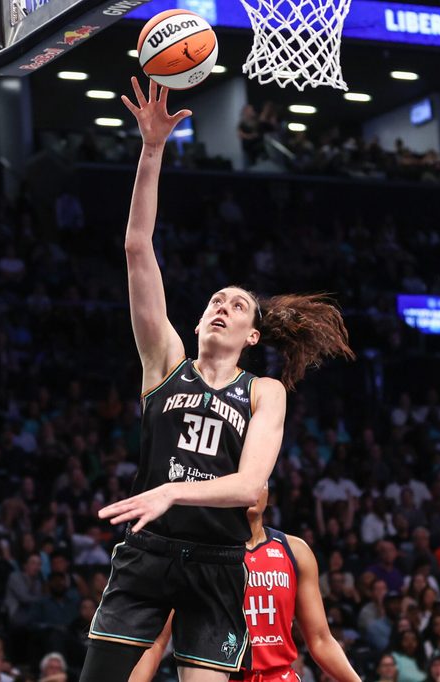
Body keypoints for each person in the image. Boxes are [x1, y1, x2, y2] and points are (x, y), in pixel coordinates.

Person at [80, 76, 353, 682]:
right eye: (215, 299)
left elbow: (249, 482)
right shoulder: (164, 362)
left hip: (217, 560)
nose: (220, 305)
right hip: (148, 555)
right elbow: (136, 247)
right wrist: (152, 150)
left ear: (252, 335)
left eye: (236, 304)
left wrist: (174, 490)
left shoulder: (264, 391)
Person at [131, 488, 360, 682]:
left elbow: (320, 639)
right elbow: (158, 642)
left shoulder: (295, 551)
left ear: (268, 493)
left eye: (257, 482)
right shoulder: (194, 555)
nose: (249, 492)